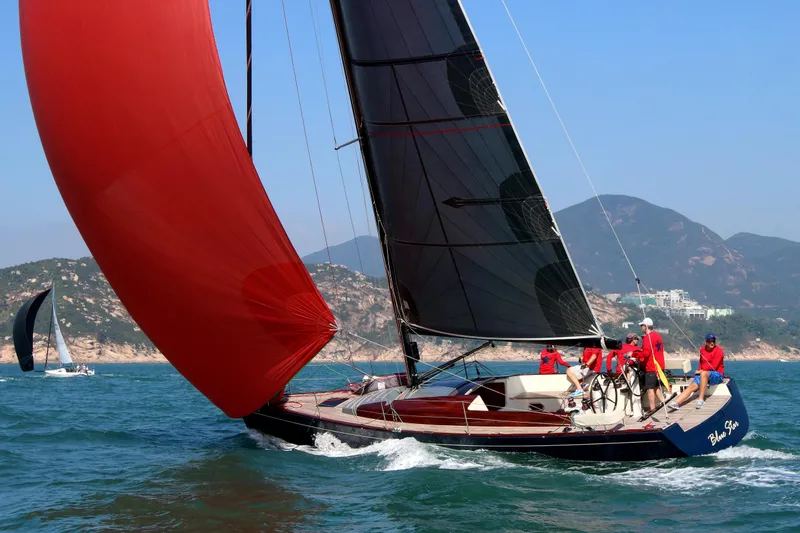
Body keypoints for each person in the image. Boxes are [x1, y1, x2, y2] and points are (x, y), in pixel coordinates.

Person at [669, 333, 725, 410]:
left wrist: (700, 371)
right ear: (706, 342)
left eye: (713, 341)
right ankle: (677, 403)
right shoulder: (702, 350)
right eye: (709, 341)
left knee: (704, 373)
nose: (712, 343)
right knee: (692, 385)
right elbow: (701, 362)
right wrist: (699, 370)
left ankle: (700, 400)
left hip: (717, 375)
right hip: (704, 374)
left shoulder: (719, 351)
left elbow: (713, 367)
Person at [633, 317, 667, 409]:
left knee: (650, 389)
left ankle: (652, 408)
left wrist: (634, 354)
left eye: (642, 326)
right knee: (656, 387)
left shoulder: (647, 338)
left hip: (652, 367)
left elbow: (646, 353)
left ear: (645, 326)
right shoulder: (658, 336)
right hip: (660, 366)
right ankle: (665, 403)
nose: (641, 327)